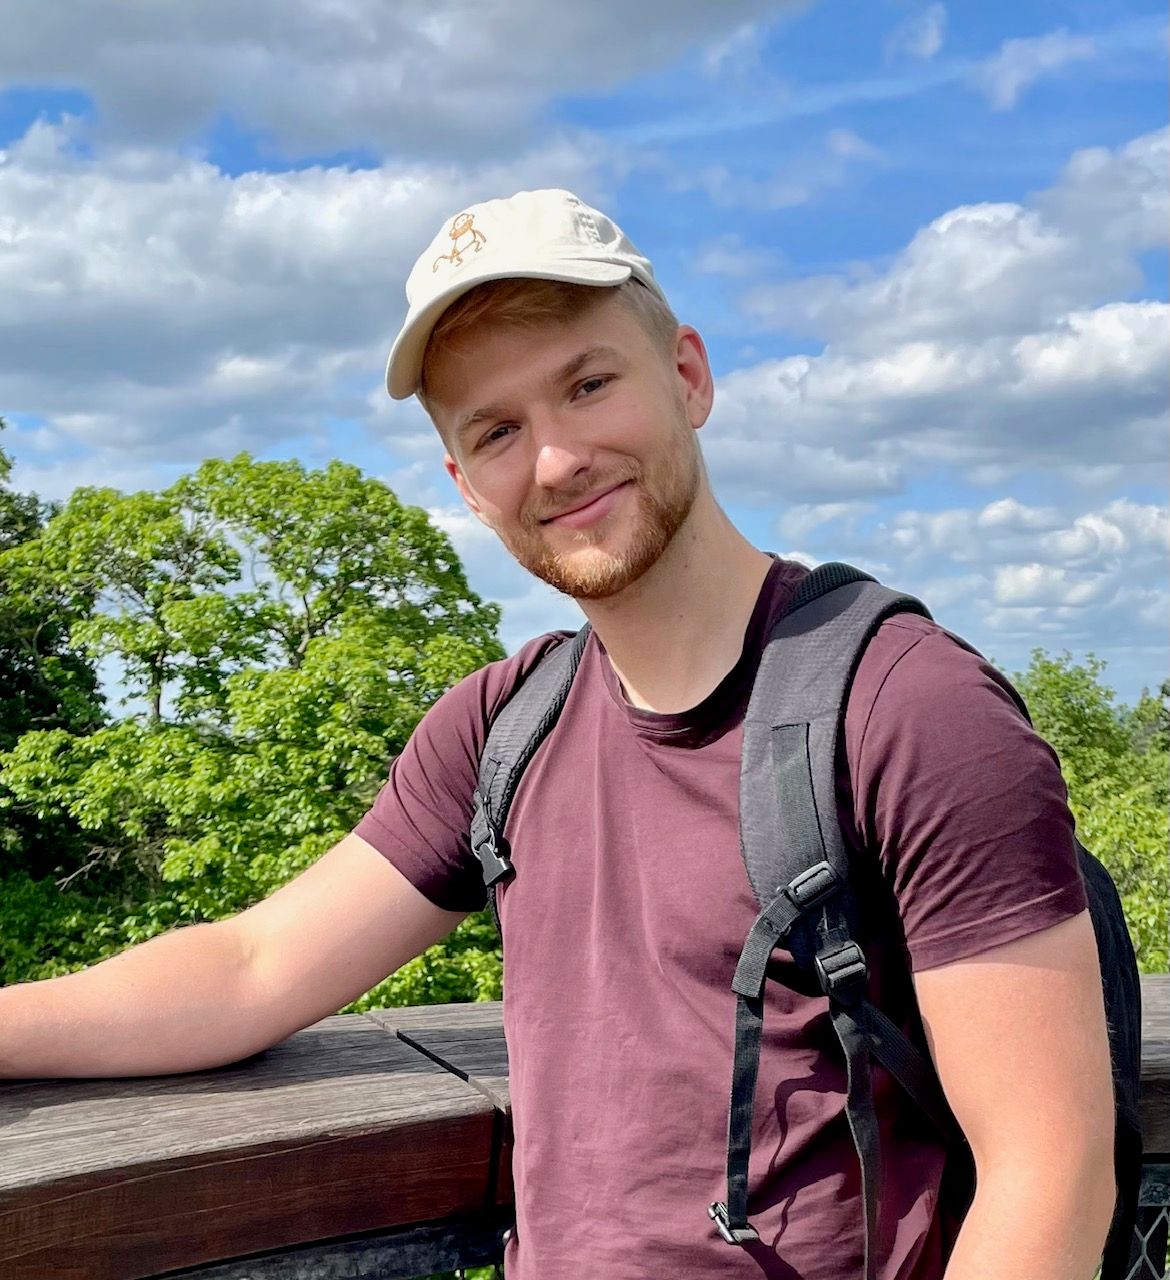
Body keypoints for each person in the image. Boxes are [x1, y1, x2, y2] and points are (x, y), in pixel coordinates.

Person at [0, 189, 1116, 1279]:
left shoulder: (906, 705)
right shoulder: (502, 725)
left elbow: (1051, 1173)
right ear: (466, 485)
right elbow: (253, 967)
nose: (555, 460)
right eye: (498, 430)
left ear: (688, 374)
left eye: (587, 384)